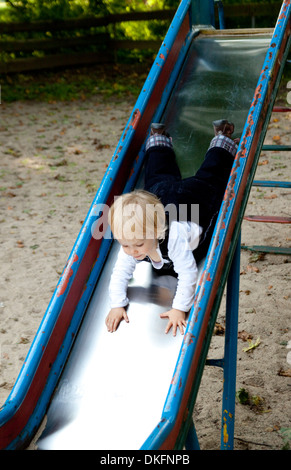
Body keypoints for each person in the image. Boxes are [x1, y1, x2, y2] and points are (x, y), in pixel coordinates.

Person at [105, 120, 238, 336]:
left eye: (138, 244)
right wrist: (117, 304)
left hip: (190, 202)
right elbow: (120, 273)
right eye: (125, 244)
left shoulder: (174, 239)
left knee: (211, 178)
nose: (132, 251)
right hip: (161, 196)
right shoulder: (133, 243)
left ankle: (222, 138)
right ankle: (158, 137)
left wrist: (178, 308)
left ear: (157, 232)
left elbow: (188, 273)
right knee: (158, 175)